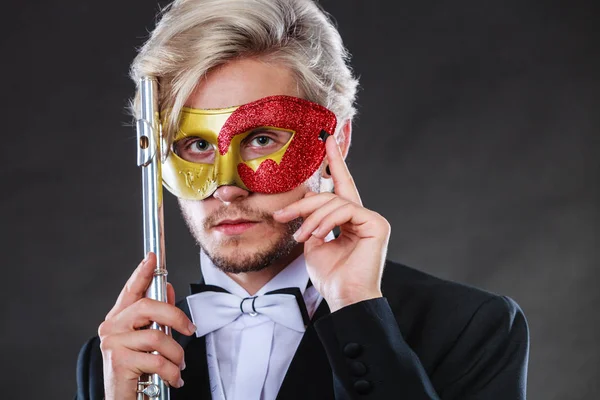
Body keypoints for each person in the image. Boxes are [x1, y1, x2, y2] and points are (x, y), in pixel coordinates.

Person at [75, 0, 530, 399]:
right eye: (196, 145)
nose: (227, 185)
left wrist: (358, 310)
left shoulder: (469, 327)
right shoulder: (117, 360)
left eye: (261, 139)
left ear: (337, 140)